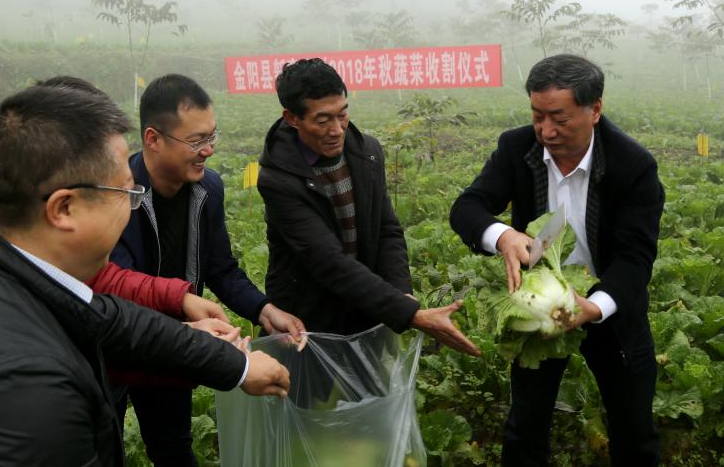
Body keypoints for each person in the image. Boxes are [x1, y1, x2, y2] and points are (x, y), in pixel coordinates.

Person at [0, 85, 290, 466]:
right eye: (126, 192)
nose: (135, 202)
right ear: (63, 208)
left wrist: (228, 361)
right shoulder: (30, 398)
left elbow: (106, 316)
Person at [450, 54, 663, 466]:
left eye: (560, 119)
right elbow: (468, 206)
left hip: (609, 306)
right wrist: (503, 235)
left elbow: (635, 257)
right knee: (525, 424)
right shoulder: (517, 147)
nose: (546, 131)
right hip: (539, 305)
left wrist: (593, 307)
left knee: (634, 427)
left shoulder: (632, 165)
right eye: (537, 116)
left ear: (594, 109)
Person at [110, 73, 305, 466]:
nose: (208, 151)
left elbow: (221, 268)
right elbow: (114, 288)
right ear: (153, 138)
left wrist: (265, 311)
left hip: (175, 349)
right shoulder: (118, 193)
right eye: (196, 141)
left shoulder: (207, 189)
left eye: (211, 137)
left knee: (174, 451)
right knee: (101, 448)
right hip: (114, 342)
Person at [256, 58, 479, 355]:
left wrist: (401, 292)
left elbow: (386, 228)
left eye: (342, 114)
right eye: (323, 120)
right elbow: (328, 261)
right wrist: (407, 314)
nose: (337, 129)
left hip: (367, 307)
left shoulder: (367, 153)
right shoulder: (278, 179)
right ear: (292, 118)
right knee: (308, 399)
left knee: (369, 396)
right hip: (307, 322)